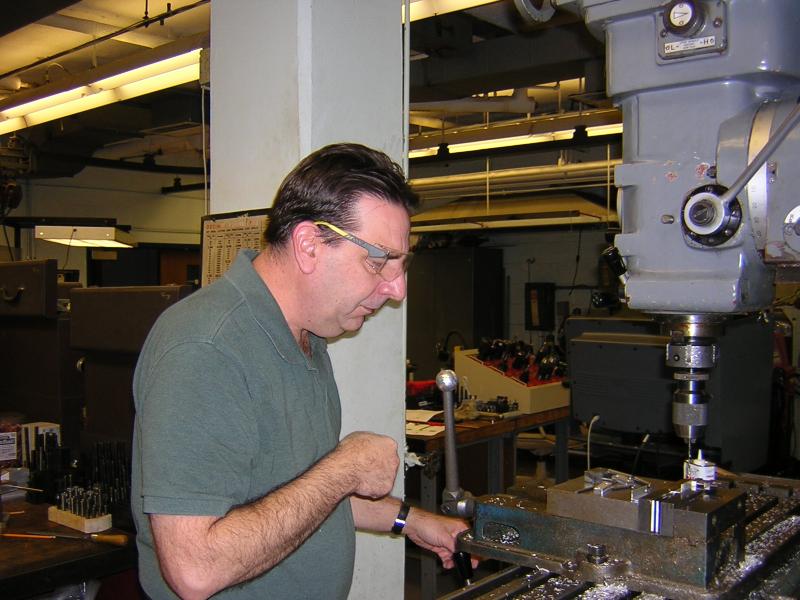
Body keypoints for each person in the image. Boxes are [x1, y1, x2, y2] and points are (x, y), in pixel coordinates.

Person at [131, 143, 471, 599]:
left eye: (402, 265)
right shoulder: (206, 348)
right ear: (309, 244)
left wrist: (413, 519)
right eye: (378, 262)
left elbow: (297, 498)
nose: (397, 290)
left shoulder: (308, 336)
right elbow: (195, 570)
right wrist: (344, 468)